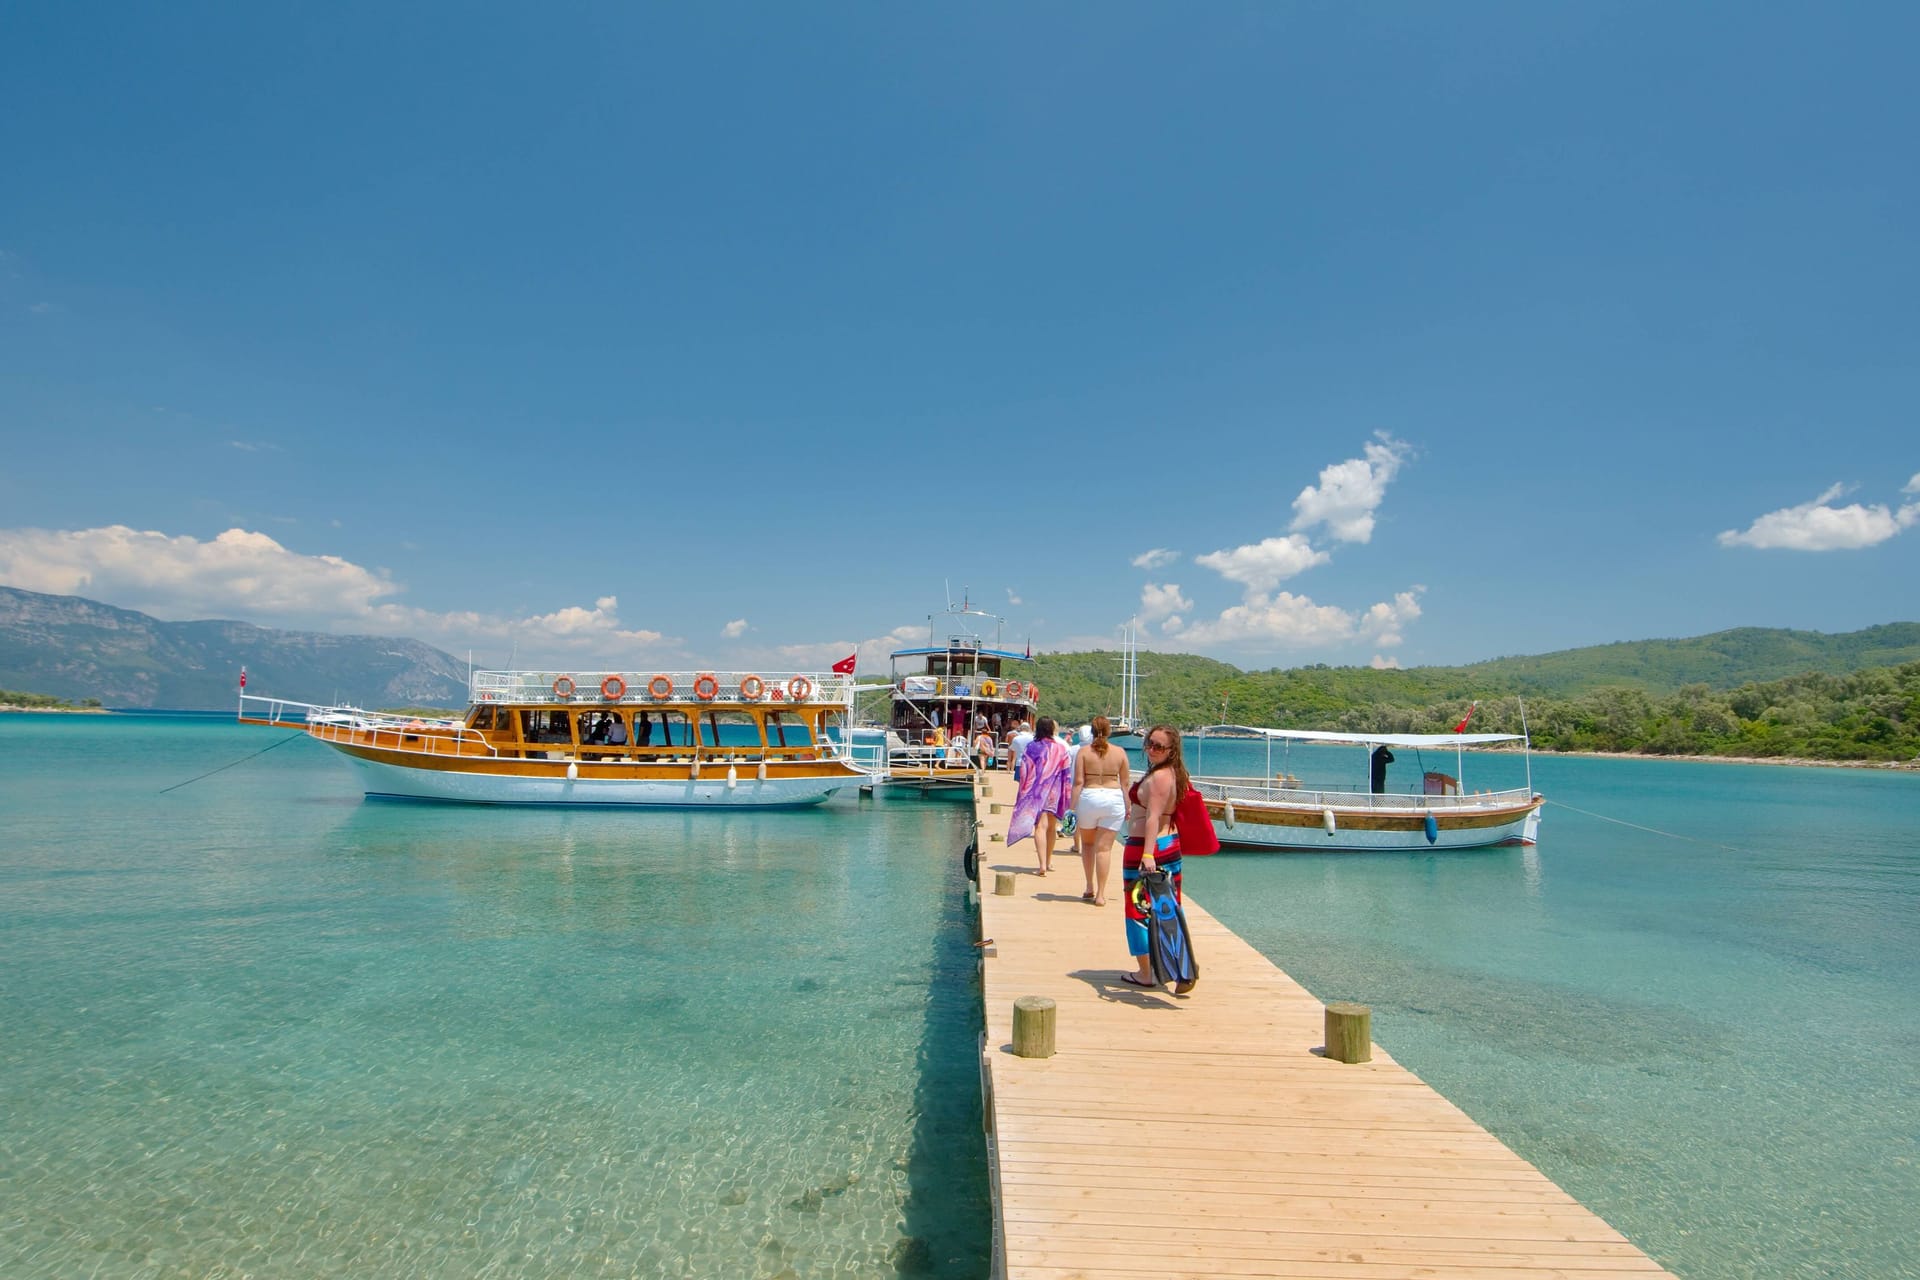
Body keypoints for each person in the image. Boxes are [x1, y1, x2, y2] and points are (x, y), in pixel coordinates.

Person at [1121, 724, 1194, 993]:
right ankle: (1179, 967)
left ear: (1172, 750)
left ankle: (1146, 972)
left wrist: (1147, 853)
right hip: (1168, 846)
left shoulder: (1162, 777)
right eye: (1149, 744)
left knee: (1138, 909)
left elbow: (1152, 817)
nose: (1152, 750)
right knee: (1169, 908)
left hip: (1149, 848)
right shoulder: (1173, 773)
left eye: (1159, 746)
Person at [1071, 716, 1129, 906]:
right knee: (1104, 849)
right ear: (1109, 731)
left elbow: (1078, 782)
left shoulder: (1084, 753)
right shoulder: (1120, 752)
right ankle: (1101, 895)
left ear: (1092, 732)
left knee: (1088, 845)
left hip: (1090, 797)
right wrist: (1128, 807)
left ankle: (1089, 887)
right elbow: (1125, 784)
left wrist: (1072, 808)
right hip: (1113, 799)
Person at [1006, 717, 1072, 876]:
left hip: (1037, 792)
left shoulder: (1032, 747)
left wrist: (1023, 791)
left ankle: (1042, 864)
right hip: (1055, 792)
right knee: (1051, 827)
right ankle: (1048, 862)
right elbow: (1066, 773)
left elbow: (1024, 771)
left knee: (1040, 827)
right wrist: (1066, 793)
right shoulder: (1061, 749)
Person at [1008, 717, 1035, 783]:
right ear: (1029, 729)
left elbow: (1012, 748)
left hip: (1019, 763)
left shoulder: (1016, 738)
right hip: (1030, 763)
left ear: (1020, 728)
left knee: (1021, 784)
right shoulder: (1033, 738)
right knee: (1029, 783)